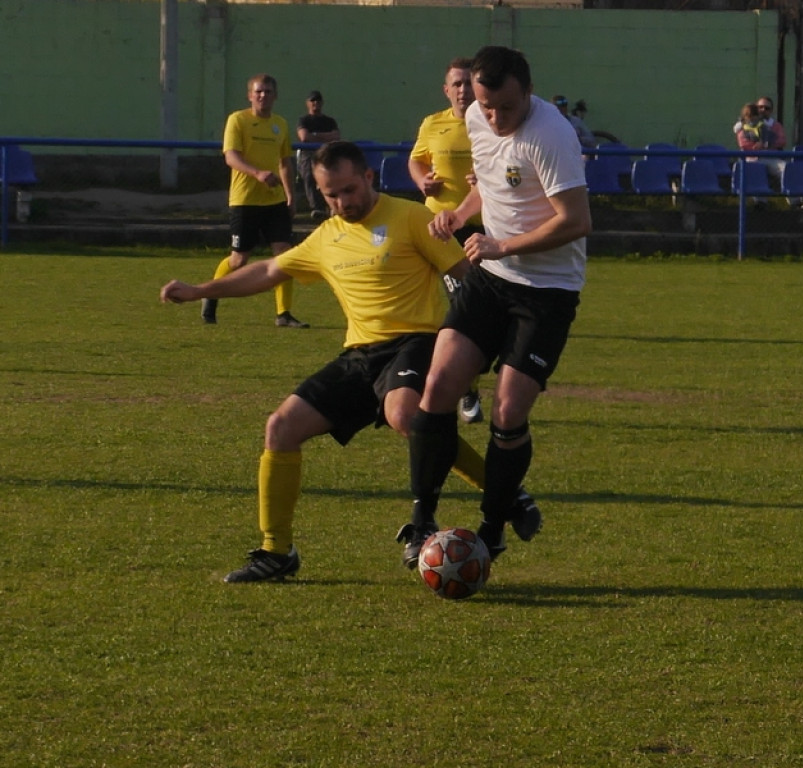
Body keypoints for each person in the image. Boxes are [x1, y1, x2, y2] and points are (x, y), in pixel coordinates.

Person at [160, 141, 538, 582]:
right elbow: (267, 271)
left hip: (416, 341)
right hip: (359, 355)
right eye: (330, 195)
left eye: (347, 190)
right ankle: (276, 552)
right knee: (280, 427)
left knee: (407, 417)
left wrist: (479, 347)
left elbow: (468, 278)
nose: (342, 202)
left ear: (368, 179)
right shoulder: (326, 236)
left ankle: (499, 492)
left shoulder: (411, 217)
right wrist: (201, 290)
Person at [407, 46, 592, 565]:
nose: (494, 117)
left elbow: (576, 221)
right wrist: (460, 215)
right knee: (439, 386)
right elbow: (489, 188)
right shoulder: (475, 116)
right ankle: (421, 523)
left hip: (547, 290)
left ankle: (491, 530)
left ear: (527, 92)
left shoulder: (552, 135)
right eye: (486, 106)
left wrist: (500, 245)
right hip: (491, 279)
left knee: (508, 413)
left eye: (505, 108)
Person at [408, 57, 485, 425]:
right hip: (439, 229)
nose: (462, 90)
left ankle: (475, 380)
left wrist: (485, 180)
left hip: (483, 228)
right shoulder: (432, 123)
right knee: (453, 309)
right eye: (456, 84)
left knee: (478, 310)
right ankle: (463, 388)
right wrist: (423, 181)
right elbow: (416, 161)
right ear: (446, 89)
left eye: (468, 83)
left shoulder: (491, 122)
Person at [202, 73, 309, 329]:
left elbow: (284, 163)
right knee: (239, 259)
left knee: (284, 256)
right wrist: (258, 173)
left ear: (275, 96)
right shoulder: (237, 120)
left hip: (274, 202)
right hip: (245, 200)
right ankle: (210, 295)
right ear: (250, 95)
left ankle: (284, 314)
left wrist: (291, 195)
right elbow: (231, 158)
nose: (263, 96)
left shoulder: (280, 124)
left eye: (268, 92)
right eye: (258, 92)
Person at [296, 90, 341, 221]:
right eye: (312, 100)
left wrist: (314, 135)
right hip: (308, 154)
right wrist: (325, 137)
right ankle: (317, 208)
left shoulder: (329, 121)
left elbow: (336, 137)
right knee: (309, 176)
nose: (315, 103)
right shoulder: (304, 120)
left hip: (327, 153)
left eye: (318, 100)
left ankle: (331, 205)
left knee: (331, 176)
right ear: (307, 103)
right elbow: (304, 137)